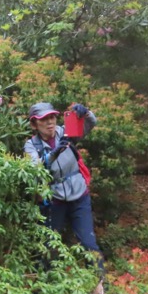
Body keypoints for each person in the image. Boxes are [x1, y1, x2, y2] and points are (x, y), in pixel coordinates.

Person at [24, 102, 104, 271]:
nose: (49, 122)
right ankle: (42, 290)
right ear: (34, 124)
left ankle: (101, 287)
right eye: (44, 119)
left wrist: (86, 113)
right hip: (54, 199)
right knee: (49, 247)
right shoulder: (31, 145)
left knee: (89, 244)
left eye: (52, 117)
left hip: (79, 194)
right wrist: (53, 155)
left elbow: (91, 125)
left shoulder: (66, 131)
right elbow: (35, 169)